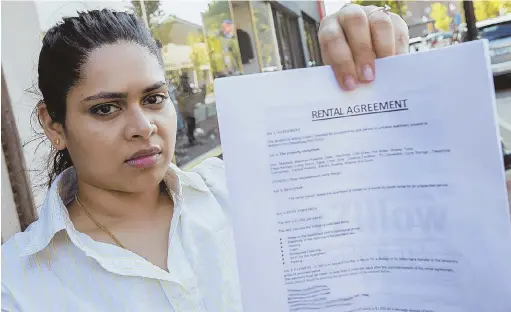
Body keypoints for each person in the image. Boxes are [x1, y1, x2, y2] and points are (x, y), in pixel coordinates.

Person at [1, 5, 408, 311]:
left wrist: (378, 68)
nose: (143, 126)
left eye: (154, 98)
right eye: (106, 108)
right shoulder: (16, 284)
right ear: (54, 125)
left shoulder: (245, 194)